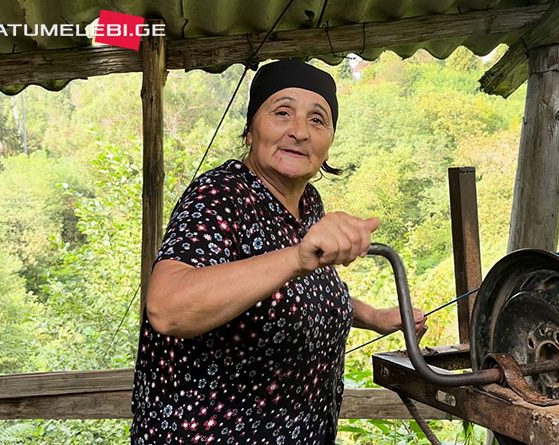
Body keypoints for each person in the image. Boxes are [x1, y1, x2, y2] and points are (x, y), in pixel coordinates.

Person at [131, 59, 426, 445]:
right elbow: (168, 308)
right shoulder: (221, 194)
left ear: (330, 139)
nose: (300, 131)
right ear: (251, 130)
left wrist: (374, 316)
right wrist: (297, 257)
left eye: (318, 120)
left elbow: (297, 291)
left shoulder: (308, 204)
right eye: (282, 112)